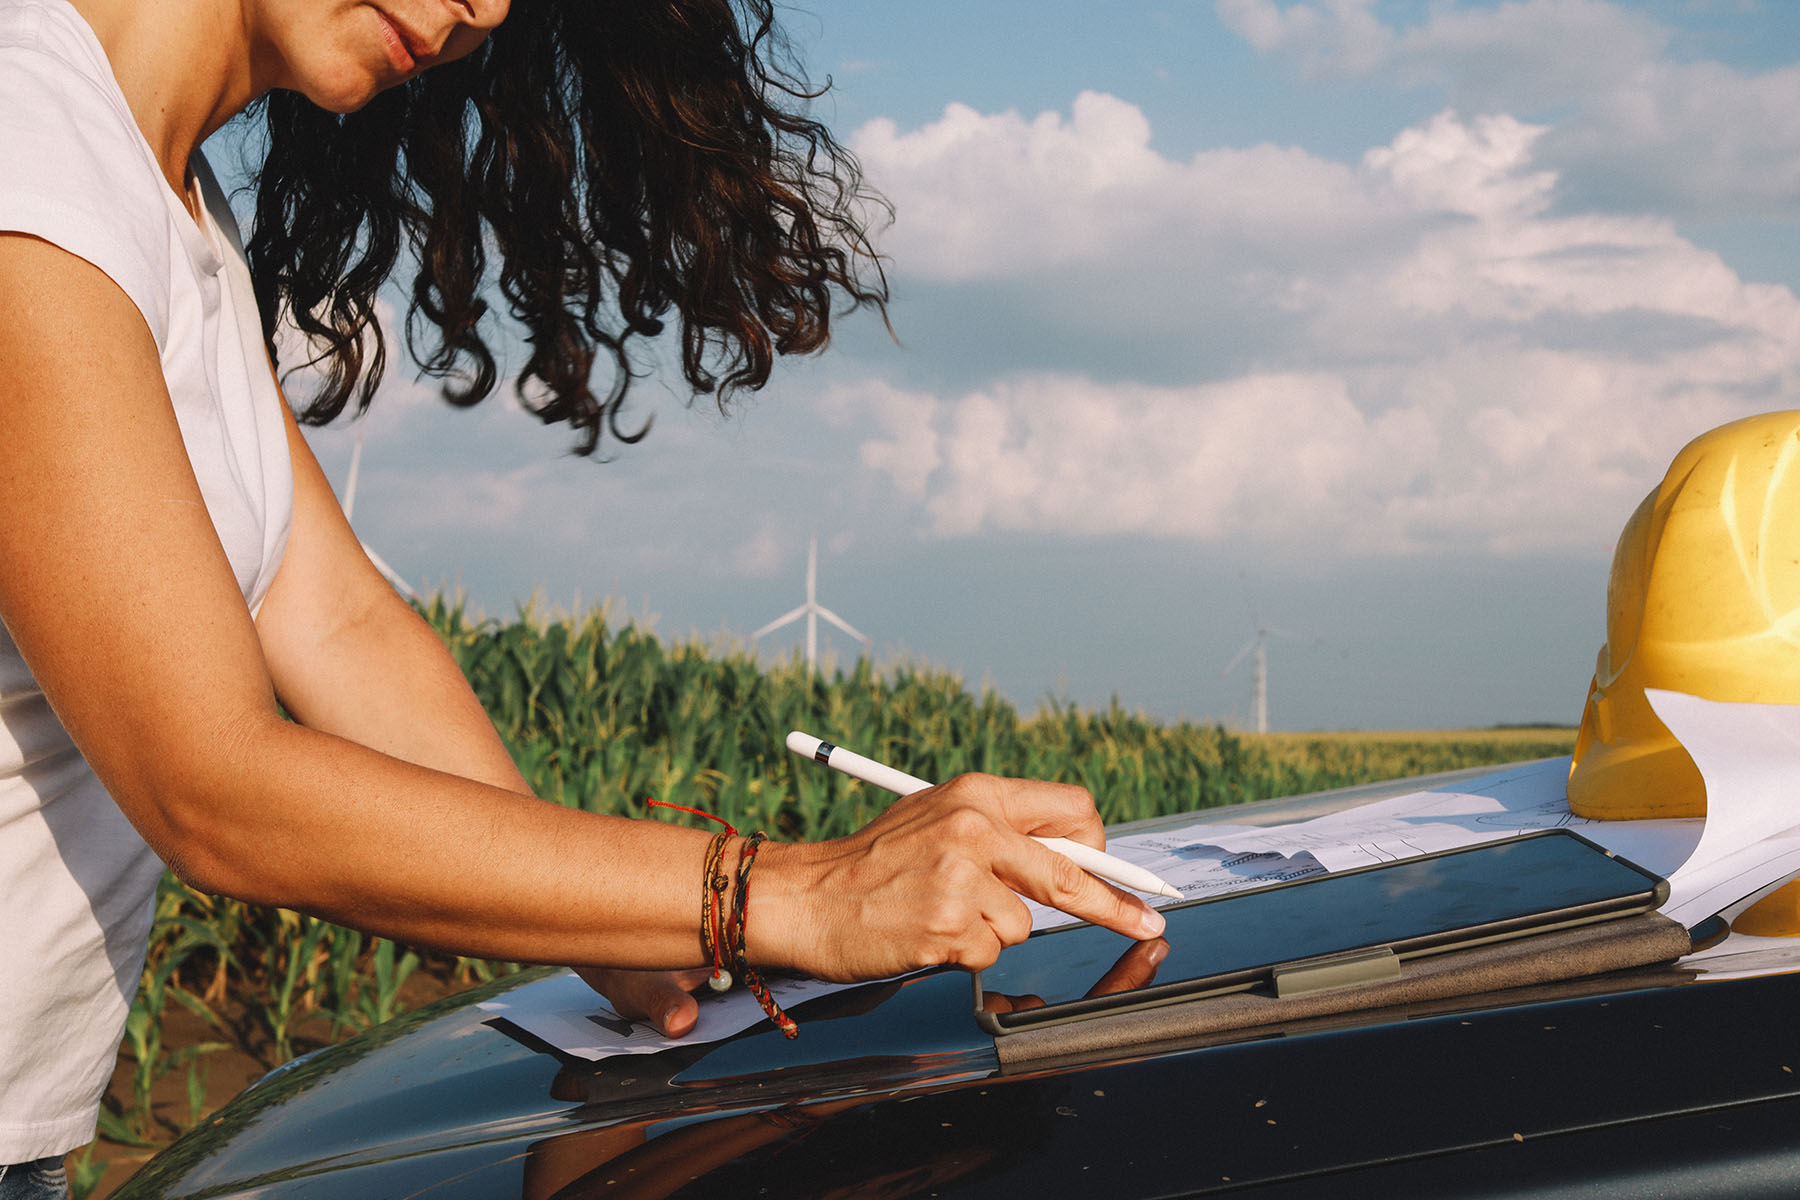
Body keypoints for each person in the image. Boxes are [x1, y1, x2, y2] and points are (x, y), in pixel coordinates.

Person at [0, 0, 1166, 1191]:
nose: (486, 9)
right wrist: (789, 893)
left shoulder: (166, 205)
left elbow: (338, 621)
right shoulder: (30, 160)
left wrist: (622, 941)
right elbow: (209, 785)